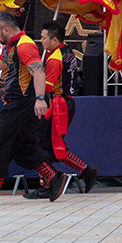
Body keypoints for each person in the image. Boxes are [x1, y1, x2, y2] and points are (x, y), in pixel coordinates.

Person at [0, 12, 66, 206]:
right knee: (21, 148)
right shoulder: (11, 45)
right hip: (18, 103)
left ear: (6, 29)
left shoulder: (24, 45)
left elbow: (38, 71)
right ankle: (52, 177)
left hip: (22, 103)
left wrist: (40, 98)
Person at [24, 21, 98, 199]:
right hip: (65, 103)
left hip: (57, 105)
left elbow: (46, 87)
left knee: (44, 146)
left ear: (54, 39)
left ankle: (49, 184)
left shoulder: (55, 59)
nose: (40, 40)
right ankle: (84, 170)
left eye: (43, 37)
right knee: (52, 146)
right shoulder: (68, 53)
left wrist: (32, 75)